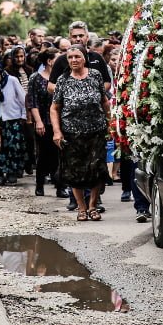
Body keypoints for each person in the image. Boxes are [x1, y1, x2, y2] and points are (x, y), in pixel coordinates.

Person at [50, 46, 110, 221]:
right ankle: (81, 208)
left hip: (96, 131)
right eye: (70, 57)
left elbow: (104, 101)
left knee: (97, 168)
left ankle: (93, 206)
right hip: (71, 133)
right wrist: (56, 131)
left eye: (77, 56)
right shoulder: (63, 80)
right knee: (74, 171)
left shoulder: (95, 75)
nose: (73, 60)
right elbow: (54, 108)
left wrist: (111, 123)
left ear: (84, 58)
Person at [28, 49, 67, 198]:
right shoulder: (36, 78)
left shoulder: (62, 77)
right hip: (44, 120)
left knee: (60, 155)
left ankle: (60, 186)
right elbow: (33, 101)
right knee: (44, 154)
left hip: (60, 121)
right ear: (50, 61)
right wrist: (38, 121)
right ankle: (39, 184)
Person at [0, 63, 27, 185]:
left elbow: (23, 98)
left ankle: (12, 173)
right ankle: (0, 173)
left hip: (13, 118)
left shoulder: (12, 80)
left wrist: (24, 115)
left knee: (14, 146)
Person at [6, 45, 34, 174]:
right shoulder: (8, 72)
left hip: (30, 108)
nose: (19, 59)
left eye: (22, 56)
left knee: (30, 137)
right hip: (16, 108)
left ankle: (29, 163)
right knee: (18, 138)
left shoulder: (29, 70)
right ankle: (19, 165)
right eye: (17, 56)